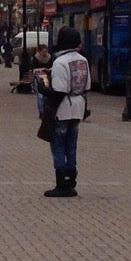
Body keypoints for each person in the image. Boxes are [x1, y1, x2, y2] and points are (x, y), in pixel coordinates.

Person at [38, 26, 91, 198]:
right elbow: (87, 86)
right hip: (78, 106)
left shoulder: (60, 62)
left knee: (58, 145)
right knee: (71, 145)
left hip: (63, 107)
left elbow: (59, 90)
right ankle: (71, 180)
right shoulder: (83, 60)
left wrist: (43, 89)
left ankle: (61, 182)